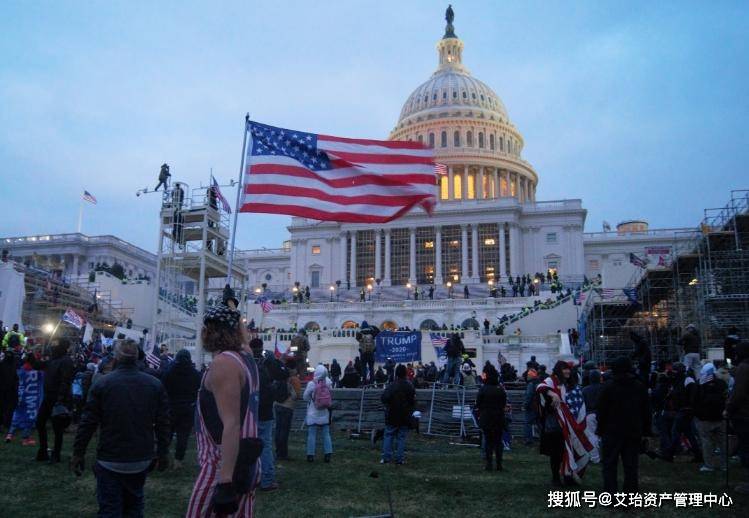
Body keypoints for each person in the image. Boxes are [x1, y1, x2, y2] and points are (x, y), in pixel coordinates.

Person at [71, 339, 171, 518]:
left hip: (111, 458)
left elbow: (88, 423)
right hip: (140, 458)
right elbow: (163, 423)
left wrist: (79, 452)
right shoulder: (154, 385)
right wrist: (163, 452)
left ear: (116, 357)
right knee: (134, 507)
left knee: (110, 509)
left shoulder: (102, 384)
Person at [186, 304, 262, 517]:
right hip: (246, 460)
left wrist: (225, 481)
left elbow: (231, 424)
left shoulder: (224, 363)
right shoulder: (245, 357)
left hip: (221, 464)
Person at [596, 356, 651, 494]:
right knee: (631, 465)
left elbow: (601, 411)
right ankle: (630, 494)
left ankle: (611, 494)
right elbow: (646, 411)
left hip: (611, 431)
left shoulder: (608, 387)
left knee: (609, 465)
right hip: (632, 431)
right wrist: (645, 431)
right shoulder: (639, 387)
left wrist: (600, 429)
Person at [537, 361, 593, 486]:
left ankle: (569, 476)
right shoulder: (551, 382)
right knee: (556, 453)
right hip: (556, 425)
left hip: (571, 425)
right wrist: (552, 394)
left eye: (568, 369)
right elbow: (540, 387)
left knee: (569, 451)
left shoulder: (571, 384)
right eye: (564, 369)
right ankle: (556, 478)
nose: (567, 371)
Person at [250, 337, 286, 492]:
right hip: (265, 411)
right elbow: (283, 374)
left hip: (250, 410)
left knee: (249, 446)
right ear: (262, 347)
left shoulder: (246, 364)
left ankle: (251, 479)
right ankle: (267, 480)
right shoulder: (267, 364)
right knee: (265, 447)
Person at [35, 338, 75, 463]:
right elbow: (39, 365)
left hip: (58, 399)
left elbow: (66, 381)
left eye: (55, 345)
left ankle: (56, 455)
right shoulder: (53, 359)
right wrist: (31, 354)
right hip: (49, 397)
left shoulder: (66, 361)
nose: (53, 347)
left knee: (57, 428)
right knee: (40, 422)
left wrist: (61, 399)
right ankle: (43, 452)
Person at [161, 349, 201, 469]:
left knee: (166, 434)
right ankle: (178, 460)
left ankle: (163, 457)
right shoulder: (195, 374)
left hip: (171, 407)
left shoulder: (169, 372)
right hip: (188, 408)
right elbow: (198, 390)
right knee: (183, 435)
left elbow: (163, 389)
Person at [693, 363, 727, 472]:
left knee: (706, 442)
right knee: (722, 443)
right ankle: (724, 465)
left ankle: (709, 465)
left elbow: (695, 400)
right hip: (720, 417)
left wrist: (697, 414)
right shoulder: (722, 383)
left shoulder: (700, 384)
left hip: (704, 419)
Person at [380, 364, 416, 465]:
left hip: (392, 415)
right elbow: (413, 401)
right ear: (405, 373)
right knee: (401, 438)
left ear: (396, 374)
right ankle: (400, 459)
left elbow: (383, 398)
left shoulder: (391, 386)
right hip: (405, 416)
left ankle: (386, 458)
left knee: (388, 436)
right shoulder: (409, 386)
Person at [726, 340, 749, 494]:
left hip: (744, 414)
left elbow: (738, 393)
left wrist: (728, 408)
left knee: (746, 448)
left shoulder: (744, 368)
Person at [475, 366, 506, 471]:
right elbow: (503, 403)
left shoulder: (483, 389)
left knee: (488, 441)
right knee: (498, 441)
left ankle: (489, 464)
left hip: (486, 416)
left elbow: (478, 403)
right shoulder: (500, 389)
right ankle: (499, 464)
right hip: (498, 416)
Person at [304, 365, 333, 462]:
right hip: (324, 411)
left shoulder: (311, 384)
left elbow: (305, 397)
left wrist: (312, 400)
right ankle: (328, 454)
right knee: (326, 433)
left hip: (313, 412)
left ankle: (310, 455)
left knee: (312, 434)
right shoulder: (328, 382)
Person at [274, 358, 301, 461]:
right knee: (284, 431)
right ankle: (283, 454)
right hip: (288, 406)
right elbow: (297, 395)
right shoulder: (294, 378)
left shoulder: (280, 375)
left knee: (278, 429)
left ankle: (278, 452)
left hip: (277, 405)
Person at [582, 369, 603, 455]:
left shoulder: (585, 389)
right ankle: (604, 455)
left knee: (592, 436)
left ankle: (595, 457)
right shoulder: (604, 387)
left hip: (590, 414)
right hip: (603, 414)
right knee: (603, 436)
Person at [0, 347, 19, 434]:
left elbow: (17, 376)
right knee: (3, 407)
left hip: (12, 389)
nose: (9, 355)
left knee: (10, 407)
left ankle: (8, 423)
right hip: (3, 389)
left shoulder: (15, 363)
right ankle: (3, 424)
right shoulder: (2, 364)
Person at [523, 369, 540, 445]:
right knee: (538, 423)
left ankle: (528, 440)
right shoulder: (538, 383)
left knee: (528, 423)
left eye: (528, 375)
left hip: (530, 406)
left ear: (531, 376)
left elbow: (528, 396)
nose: (527, 376)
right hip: (537, 406)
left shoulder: (531, 384)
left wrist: (525, 405)